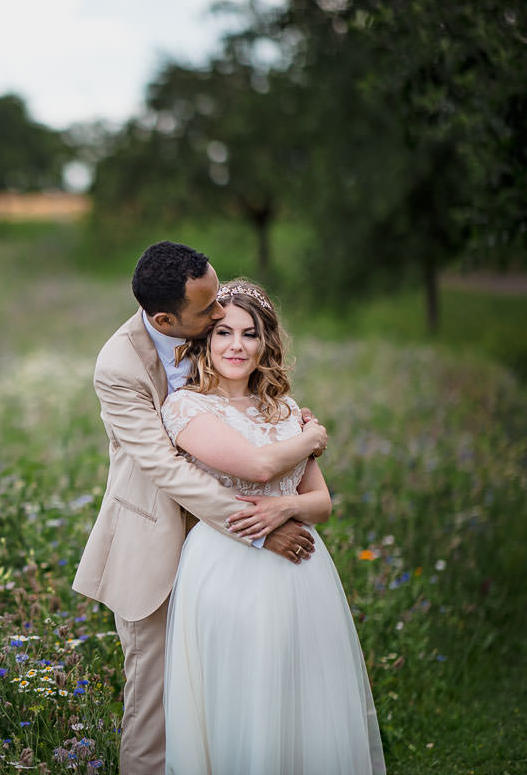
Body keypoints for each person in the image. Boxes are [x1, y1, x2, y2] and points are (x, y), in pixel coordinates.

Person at [72, 241, 326, 773]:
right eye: (209, 311)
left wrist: (295, 436)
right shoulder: (119, 367)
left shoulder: (218, 336)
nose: (221, 314)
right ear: (166, 319)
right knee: (158, 707)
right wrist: (259, 525)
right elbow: (163, 467)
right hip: (160, 545)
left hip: (233, 558)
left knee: (233, 695)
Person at [161, 278, 384, 773]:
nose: (236, 345)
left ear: (266, 344)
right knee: (242, 688)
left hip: (301, 569)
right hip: (227, 561)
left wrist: (285, 509)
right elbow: (258, 468)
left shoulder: (283, 410)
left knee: (303, 689)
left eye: (250, 333)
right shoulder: (186, 407)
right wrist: (312, 438)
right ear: (205, 341)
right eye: (223, 333)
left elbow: (321, 503)